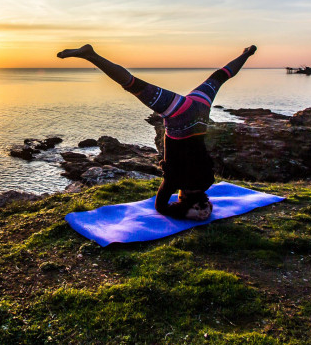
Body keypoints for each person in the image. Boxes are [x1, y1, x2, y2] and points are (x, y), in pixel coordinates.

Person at [57, 43, 257, 220]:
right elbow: (160, 207)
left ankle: (246, 54)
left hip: (200, 108)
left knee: (219, 76)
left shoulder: (207, 180)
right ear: (183, 198)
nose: (176, 195)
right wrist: (183, 213)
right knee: (131, 83)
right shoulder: (175, 181)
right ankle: (91, 55)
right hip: (180, 114)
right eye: (179, 198)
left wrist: (203, 207)